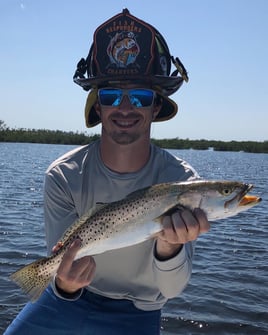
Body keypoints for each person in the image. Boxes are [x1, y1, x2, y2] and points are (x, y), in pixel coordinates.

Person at [5, 8, 210, 335]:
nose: (125, 107)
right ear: (97, 105)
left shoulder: (184, 184)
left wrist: (170, 248)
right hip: (64, 299)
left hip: (138, 311)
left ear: (156, 106)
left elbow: (170, 290)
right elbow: (58, 263)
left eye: (141, 96)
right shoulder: (63, 175)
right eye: (111, 95)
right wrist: (67, 285)